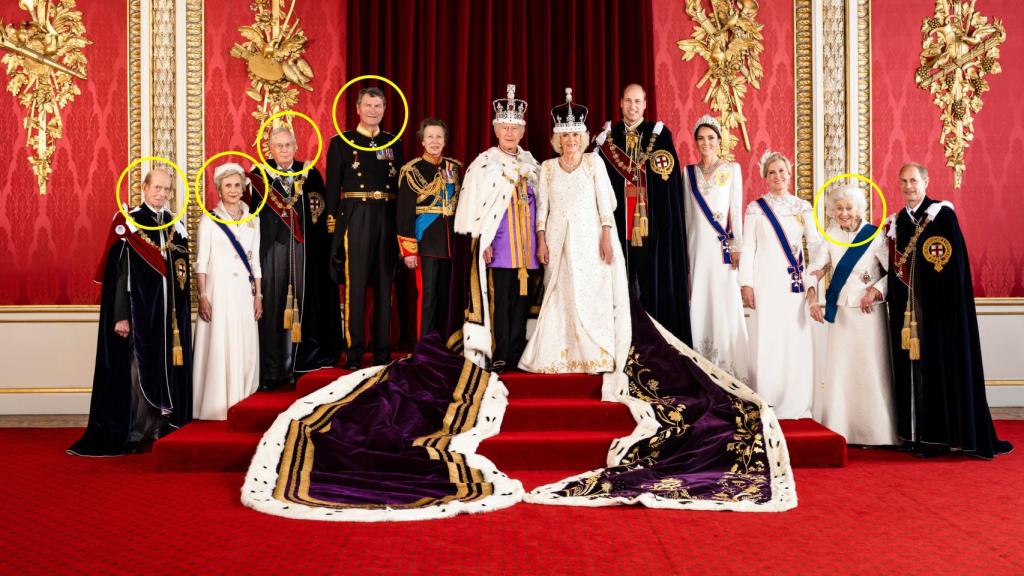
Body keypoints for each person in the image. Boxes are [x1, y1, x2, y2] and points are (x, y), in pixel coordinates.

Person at [885, 162, 1012, 458]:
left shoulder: (942, 216)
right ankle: (912, 436)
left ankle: (938, 439)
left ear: (926, 182)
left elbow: (953, 269)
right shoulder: (896, 223)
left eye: (914, 180)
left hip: (939, 315)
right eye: (903, 181)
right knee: (909, 371)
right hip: (905, 315)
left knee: (937, 369)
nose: (908, 186)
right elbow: (892, 269)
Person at [68, 168, 192, 455]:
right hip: (139, 314)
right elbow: (119, 274)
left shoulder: (174, 224)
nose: (162, 194)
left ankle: (161, 428)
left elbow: (180, 273)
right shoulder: (130, 222)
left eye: (167, 190)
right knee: (139, 372)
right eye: (157, 188)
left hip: (167, 318)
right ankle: (137, 433)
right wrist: (121, 315)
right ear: (144, 188)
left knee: (164, 370)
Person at [519, 88, 630, 376]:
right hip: (557, 241)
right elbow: (541, 209)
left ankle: (594, 354)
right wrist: (541, 241)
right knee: (560, 294)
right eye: (565, 136)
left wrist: (606, 237)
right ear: (558, 139)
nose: (570, 141)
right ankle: (559, 356)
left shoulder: (594, 163)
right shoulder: (548, 168)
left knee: (591, 292)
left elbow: (607, 205)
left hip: (590, 239)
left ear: (583, 137)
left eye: (575, 135)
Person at [594, 83, 692, 345]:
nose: (633, 106)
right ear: (620, 103)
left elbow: (667, 182)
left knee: (651, 282)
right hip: (618, 224)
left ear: (645, 105)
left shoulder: (659, 135)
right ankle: (622, 341)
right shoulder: (607, 139)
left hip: (652, 225)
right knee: (620, 285)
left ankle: (654, 342)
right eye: (628, 101)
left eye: (638, 102)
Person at [454, 83, 540, 373]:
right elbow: (474, 207)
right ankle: (499, 352)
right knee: (499, 301)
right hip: (500, 245)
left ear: (522, 132)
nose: (509, 133)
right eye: (504, 127)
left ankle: (517, 352)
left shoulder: (532, 164)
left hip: (527, 249)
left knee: (522, 301)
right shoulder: (484, 164)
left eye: (514, 129)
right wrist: (483, 241)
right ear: (495, 129)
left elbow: (543, 207)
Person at [249, 127, 340, 390]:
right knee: (275, 308)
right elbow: (254, 218)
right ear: (270, 149)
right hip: (272, 252)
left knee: (302, 307)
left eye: (288, 145)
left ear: (296, 145)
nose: (284, 150)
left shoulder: (309, 174)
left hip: (304, 253)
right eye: (278, 146)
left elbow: (319, 218)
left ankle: (299, 366)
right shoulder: (259, 176)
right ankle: (272, 370)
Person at [806, 186, 896, 445]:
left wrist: (876, 291)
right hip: (843, 312)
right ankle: (843, 430)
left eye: (849, 208)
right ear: (831, 212)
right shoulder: (830, 235)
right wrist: (812, 298)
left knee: (871, 368)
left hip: (870, 312)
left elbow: (895, 272)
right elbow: (816, 269)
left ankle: (878, 433)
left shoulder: (874, 236)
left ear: (859, 209)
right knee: (843, 372)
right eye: (838, 209)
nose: (844, 213)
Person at [326, 87, 404, 370]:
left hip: (386, 214)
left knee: (385, 285)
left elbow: (400, 188)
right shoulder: (341, 143)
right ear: (357, 108)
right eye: (368, 105)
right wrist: (333, 228)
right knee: (355, 286)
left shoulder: (393, 142)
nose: (373, 111)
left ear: (384, 109)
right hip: (355, 216)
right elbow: (332, 189)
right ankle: (355, 353)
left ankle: (383, 352)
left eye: (378, 106)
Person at [738, 151, 820, 419]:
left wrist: (813, 280)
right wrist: (746, 284)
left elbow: (817, 246)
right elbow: (748, 248)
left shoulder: (803, 207)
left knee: (794, 338)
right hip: (765, 283)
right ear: (765, 177)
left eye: (782, 171)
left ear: (790, 173)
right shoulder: (755, 208)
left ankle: (796, 401)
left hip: (793, 286)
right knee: (768, 338)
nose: (778, 177)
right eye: (772, 172)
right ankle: (768, 398)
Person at [193, 163, 262, 420]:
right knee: (219, 342)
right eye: (228, 186)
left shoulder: (253, 219)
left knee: (243, 343)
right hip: (218, 291)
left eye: (237, 185)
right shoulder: (209, 219)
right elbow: (201, 261)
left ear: (244, 188)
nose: (234, 190)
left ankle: (243, 402)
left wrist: (259, 295)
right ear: (219, 190)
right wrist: (203, 296)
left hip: (244, 293)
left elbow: (255, 262)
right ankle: (215, 405)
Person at [681, 114, 749, 380]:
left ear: (719, 141)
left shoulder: (732, 170)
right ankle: (701, 364)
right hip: (698, 248)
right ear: (696, 142)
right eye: (701, 138)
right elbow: (688, 216)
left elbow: (736, 211)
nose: (706, 143)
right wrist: (686, 253)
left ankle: (728, 367)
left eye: (711, 138)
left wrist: (738, 247)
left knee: (723, 301)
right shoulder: (688, 173)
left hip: (722, 250)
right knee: (699, 298)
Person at [397, 118, 461, 339]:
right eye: (430, 137)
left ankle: (445, 344)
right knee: (428, 298)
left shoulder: (453, 168)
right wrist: (409, 250)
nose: (435, 141)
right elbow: (404, 213)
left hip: (450, 243)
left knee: (447, 298)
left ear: (445, 141)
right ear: (422, 141)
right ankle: (424, 347)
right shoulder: (411, 170)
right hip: (425, 243)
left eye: (439, 137)